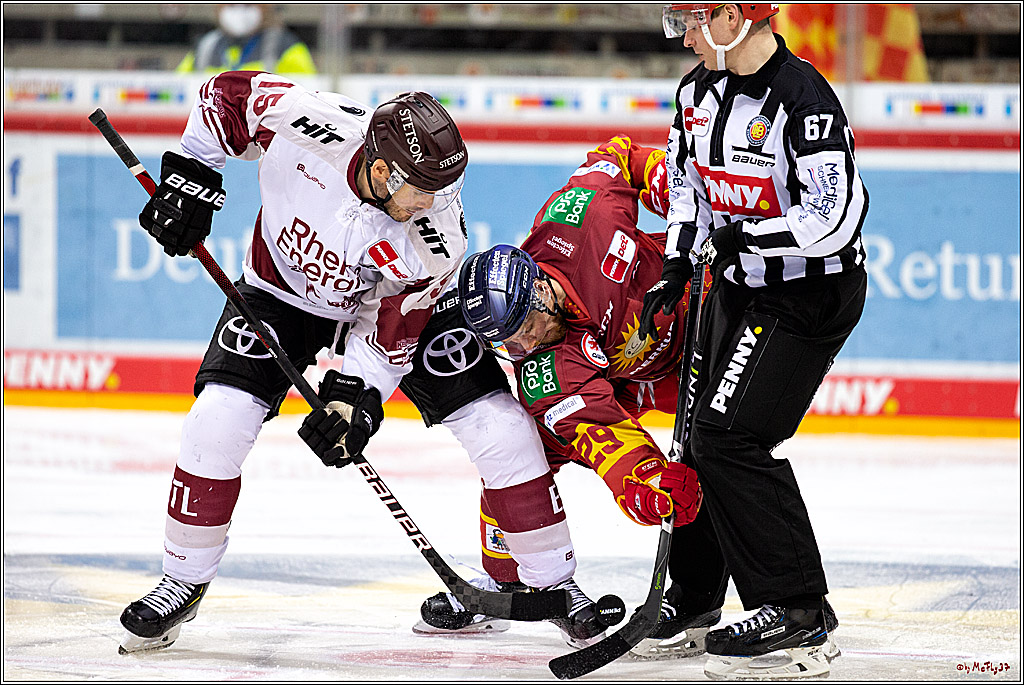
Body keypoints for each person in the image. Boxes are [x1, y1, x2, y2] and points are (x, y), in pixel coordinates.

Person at [117, 69, 589, 654]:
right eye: (420, 188)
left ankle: (556, 586)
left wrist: (355, 397)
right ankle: (181, 579)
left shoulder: (435, 234)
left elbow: (394, 327)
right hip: (281, 293)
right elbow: (223, 94)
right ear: (382, 167)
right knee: (218, 418)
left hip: (400, 308)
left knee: (500, 425)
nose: (431, 202)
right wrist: (192, 177)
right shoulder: (305, 121)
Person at [413, 135, 725, 660]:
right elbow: (599, 429)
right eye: (505, 343)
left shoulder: (579, 220)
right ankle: (508, 579)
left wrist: (674, 192)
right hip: (640, 379)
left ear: (537, 288)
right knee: (521, 453)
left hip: (709, 319)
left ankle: (764, 595)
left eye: (523, 329)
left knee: (729, 449)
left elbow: (619, 154)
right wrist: (643, 481)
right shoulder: (542, 368)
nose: (522, 348)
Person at [637, 4, 870, 679]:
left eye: (691, 18)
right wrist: (678, 263)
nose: (682, 35)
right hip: (735, 284)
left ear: (736, 16)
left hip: (806, 293)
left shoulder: (805, 99)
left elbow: (834, 217)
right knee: (695, 441)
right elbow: (688, 188)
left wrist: (748, 236)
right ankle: (695, 596)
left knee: (729, 438)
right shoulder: (694, 93)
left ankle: (799, 611)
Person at [176, 4, 316, 74]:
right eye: (231, 4)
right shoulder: (206, 47)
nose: (239, 8)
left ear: (266, 6)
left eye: (248, 4)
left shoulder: (288, 48)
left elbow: (305, 103)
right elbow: (176, 93)